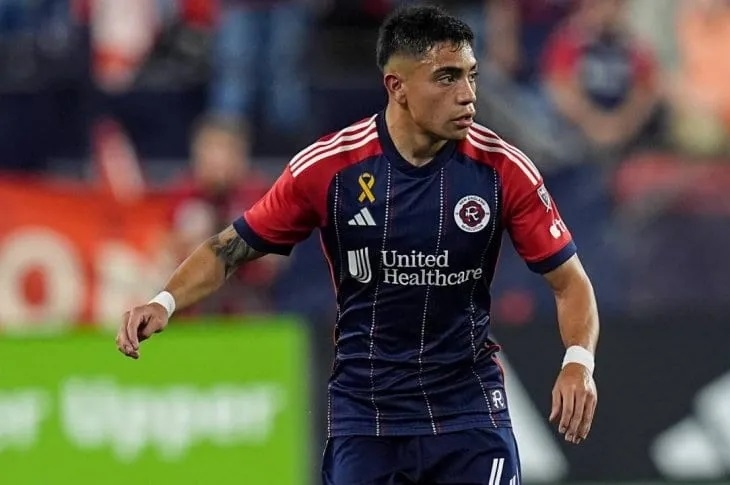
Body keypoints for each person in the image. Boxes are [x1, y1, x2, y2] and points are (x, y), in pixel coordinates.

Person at [116, 5, 600, 484]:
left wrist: (578, 360)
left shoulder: (503, 169)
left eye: (472, 76)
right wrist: (165, 301)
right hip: (367, 421)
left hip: (469, 416)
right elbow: (229, 250)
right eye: (447, 78)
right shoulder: (330, 168)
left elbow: (570, 281)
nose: (468, 95)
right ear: (397, 87)